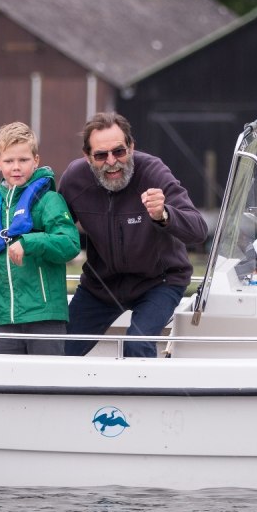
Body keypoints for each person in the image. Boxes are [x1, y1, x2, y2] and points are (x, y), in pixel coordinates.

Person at [58, 111, 207, 357]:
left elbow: (198, 230)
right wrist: (7, 238)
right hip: (101, 284)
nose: (112, 161)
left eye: (119, 151)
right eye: (101, 155)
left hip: (158, 282)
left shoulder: (153, 172)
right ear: (87, 157)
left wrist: (164, 215)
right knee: (59, 349)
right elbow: (52, 226)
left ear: (131, 147)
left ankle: (144, 395)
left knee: (137, 345)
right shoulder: (75, 178)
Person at [0, 122, 80, 355]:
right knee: (4, 388)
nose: (16, 167)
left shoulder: (50, 200)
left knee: (45, 389)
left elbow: (70, 244)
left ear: (36, 160)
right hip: (4, 317)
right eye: (9, 161)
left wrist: (27, 242)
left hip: (45, 317)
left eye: (23, 160)